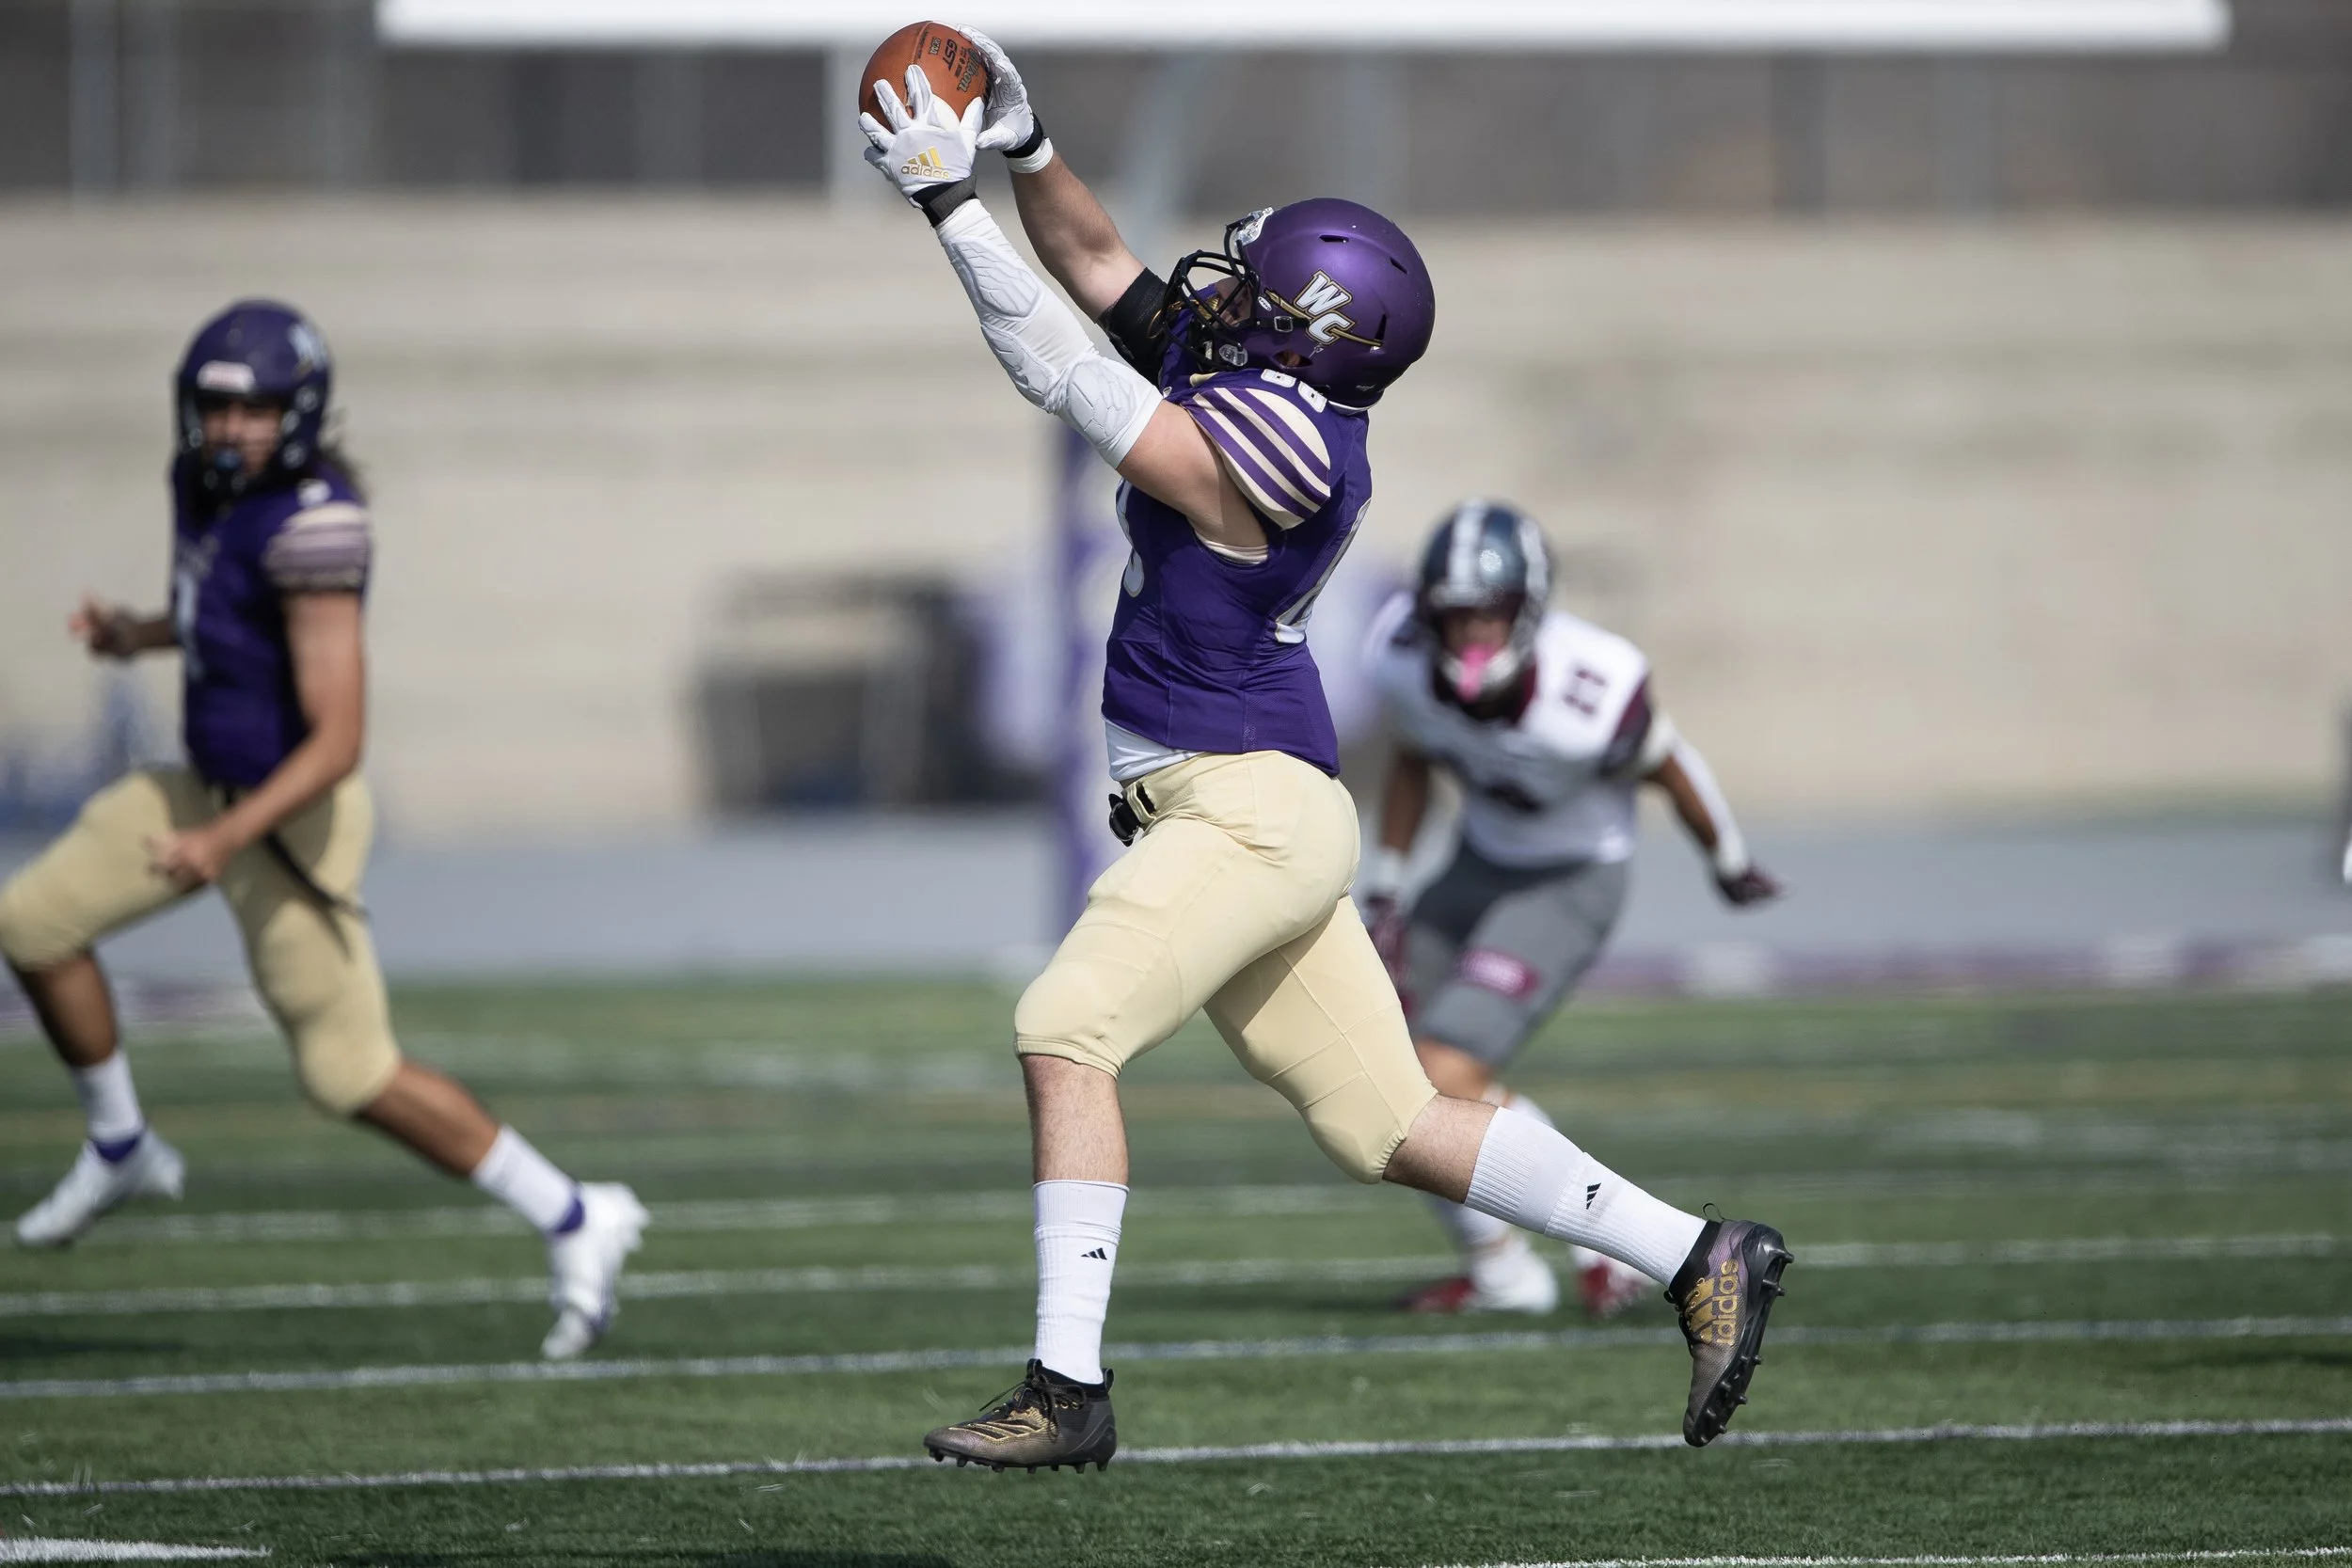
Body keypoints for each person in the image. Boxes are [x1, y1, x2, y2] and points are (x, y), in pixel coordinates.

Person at [857, 36, 1790, 1466]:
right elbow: (1098, 260)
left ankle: (1068, 1384)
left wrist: (946, 206)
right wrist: (1027, 148)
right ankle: (1700, 1252)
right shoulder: (1267, 376)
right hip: (1251, 798)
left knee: (1064, 1027)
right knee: (1395, 1121)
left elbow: (1059, 368)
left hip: (1246, 810)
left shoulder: (1287, 446)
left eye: (1258, 278)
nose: (1222, 284)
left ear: (1310, 331)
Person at [0, 301, 645, 1360]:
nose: (229, 425)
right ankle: (119, 1140)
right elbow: (215, 604)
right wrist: (139, 630)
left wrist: (222, 843)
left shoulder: (316, 523)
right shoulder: (200, 484)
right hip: (207, 784)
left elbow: (338, 736)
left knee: (348, 1073)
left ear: (294, 412)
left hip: (290, 817)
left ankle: (578, 1214)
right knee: (32, 921)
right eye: (214, 404)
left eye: (252, 407)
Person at [1360, 501, 1782, 1321]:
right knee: (1382, 1073)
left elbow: (1669, 763)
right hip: (1477, 862)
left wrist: (1726, 857)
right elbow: (1414, 751)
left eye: (1489, 611)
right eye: (1455, 614)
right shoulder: (1404, 659)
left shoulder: (1593, 686)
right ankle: (1499, 1270)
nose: (1471, 632)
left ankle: (1608, 1248)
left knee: (1443, 1074)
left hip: (1570, 876)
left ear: (1527, 608)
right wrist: (1386, 883)